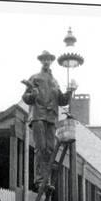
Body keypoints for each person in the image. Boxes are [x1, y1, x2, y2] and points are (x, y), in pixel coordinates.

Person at [22, 50, 72, 190]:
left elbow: (62, 101)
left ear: (51, 61)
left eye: (48, 59)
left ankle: (46, 180)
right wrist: (33, 94)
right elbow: (26, 98)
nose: (46, 61)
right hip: (38, 116)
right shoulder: (35, 78)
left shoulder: (55, 82)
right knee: (41, 148)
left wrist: (70, 91)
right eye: (44, 59)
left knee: (50, 150)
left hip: (51, 118)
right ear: (41, 61)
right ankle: (39, 180)